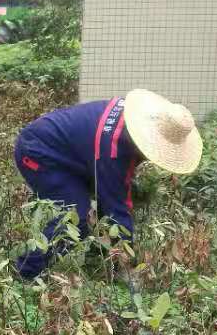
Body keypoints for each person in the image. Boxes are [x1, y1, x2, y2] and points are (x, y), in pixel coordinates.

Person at [13, 89, 203, 279]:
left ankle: (98, 261)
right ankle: (25, 272)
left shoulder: (132, 119)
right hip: (39, 152)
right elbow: (116, 208)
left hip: (70, 153)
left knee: (103, 203)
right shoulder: (114, 149)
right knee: (75, 217)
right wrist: (127, 262)